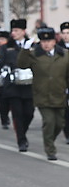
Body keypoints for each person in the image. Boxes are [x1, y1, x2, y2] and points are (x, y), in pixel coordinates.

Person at [17, 27, 69, 161]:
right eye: (43, 41)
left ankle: (50, 138)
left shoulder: (64, 54)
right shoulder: (35, 55)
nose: (46, 44)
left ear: (54, 41)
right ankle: (50, 149)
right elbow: (22, 64)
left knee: (60, 123)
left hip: (59, 94)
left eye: (49, 41)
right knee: (49, 121)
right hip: (42, 95)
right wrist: (25, 50)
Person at [0, 19, 35, 152]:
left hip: (29, 85)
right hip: (13, 86)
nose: (13, 33)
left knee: (29, 113)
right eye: (13, 31)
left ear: (23, 31)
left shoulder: (32, 46)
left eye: (16, 31)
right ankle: (21, 140)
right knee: (17, 114)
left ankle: (23, 132)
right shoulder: (6, 47)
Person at [57, 21, 69, 144]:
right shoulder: (58, 48)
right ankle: (67, 132)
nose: (66, 36)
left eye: (68, 33)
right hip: (62, 82)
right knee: (65, 110)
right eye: (64, 33)